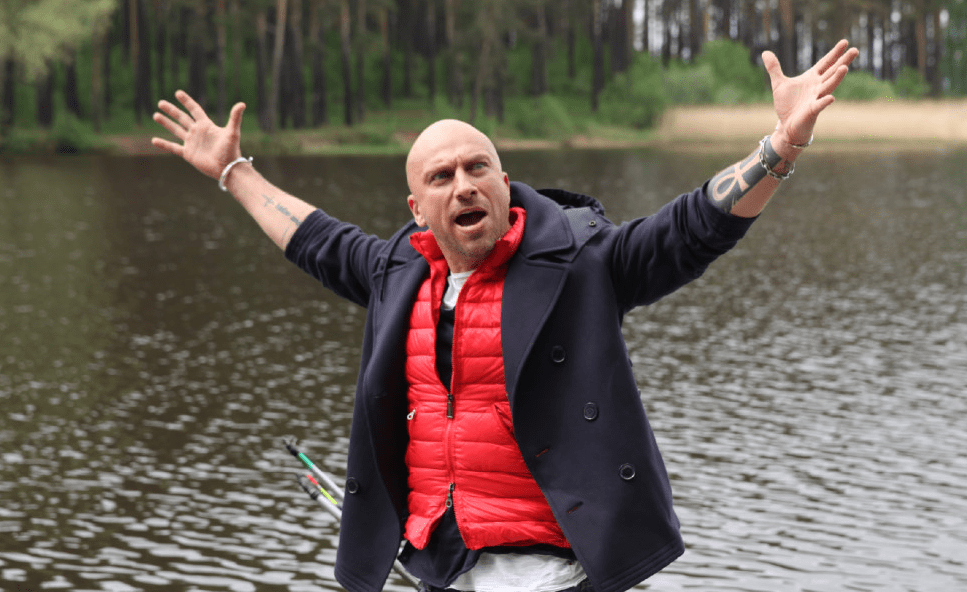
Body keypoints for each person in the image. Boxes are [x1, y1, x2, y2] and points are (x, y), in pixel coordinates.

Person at [153, 41, 858, 592]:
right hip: (440, 565)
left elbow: (691, 228)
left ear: (503, 180)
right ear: (418, 210)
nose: (463, 185)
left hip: (549, 571)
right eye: (442, 177)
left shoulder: (583, 263)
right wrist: (234, 172)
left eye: (477, 168)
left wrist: (780, 145)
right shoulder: (397, 273)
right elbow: (315, 239)